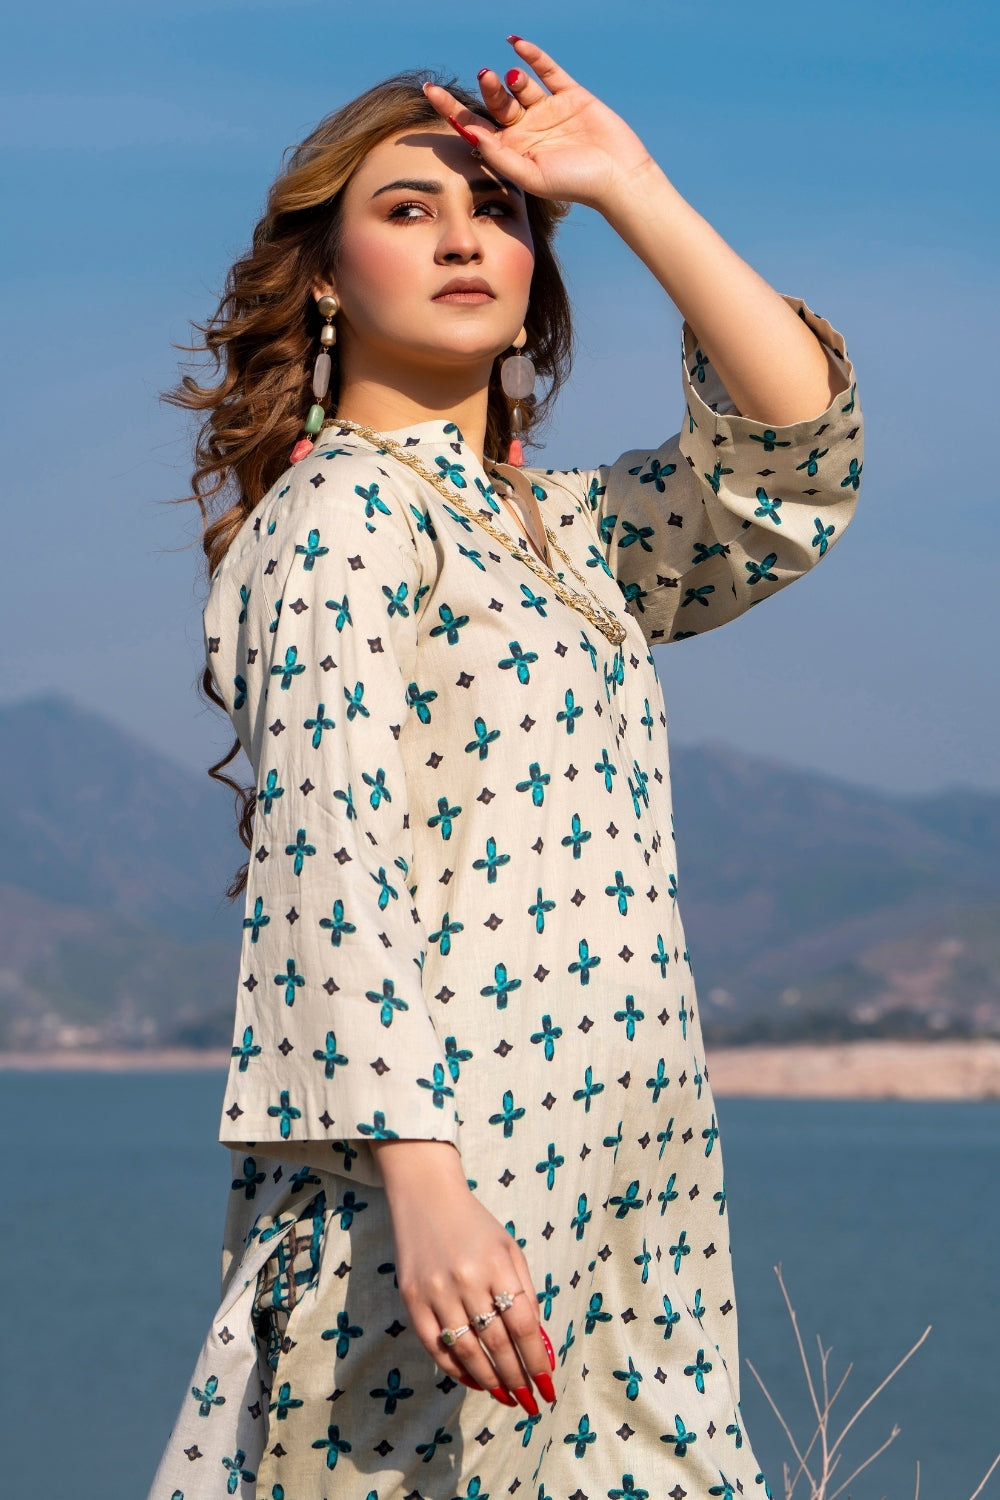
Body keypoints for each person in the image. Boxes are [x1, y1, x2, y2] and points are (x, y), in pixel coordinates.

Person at [148, 35, 862, 1500]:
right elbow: (330, 857)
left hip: (631, 1178)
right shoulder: (342, 515)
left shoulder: (565, 533)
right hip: (447, 1189)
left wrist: (629, 184)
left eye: (499, 212)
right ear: (325, 277)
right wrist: (425, 1188)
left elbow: (791, 459)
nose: (465, 237)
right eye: (407, 209)